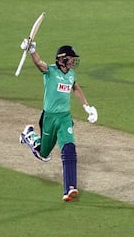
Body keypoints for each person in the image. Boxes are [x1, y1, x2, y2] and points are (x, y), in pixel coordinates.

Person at [18, 41, 98, 202]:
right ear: (62, 59)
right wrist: (32, 50)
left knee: (69, 148)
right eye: (70, 58)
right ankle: (29, 135)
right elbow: (38, 63)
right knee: (44, 154)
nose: (73, 61)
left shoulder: (71, 75)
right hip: (49, 118)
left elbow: (75, 88)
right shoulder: (50, 71)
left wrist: (87, 107)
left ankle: (70, 188)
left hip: (64, 118)